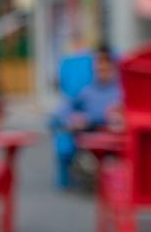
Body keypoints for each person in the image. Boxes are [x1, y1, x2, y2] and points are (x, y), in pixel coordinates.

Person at [50, 45, 123, 187]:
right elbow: (64, 109)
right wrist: (70, 119)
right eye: (98, 64)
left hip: (114, 135)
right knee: (65, 142)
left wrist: (91, 118)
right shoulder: (87, 90)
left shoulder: (121, 91)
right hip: (88, 133)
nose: (101, 68)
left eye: (106, 65)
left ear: (113, 67)